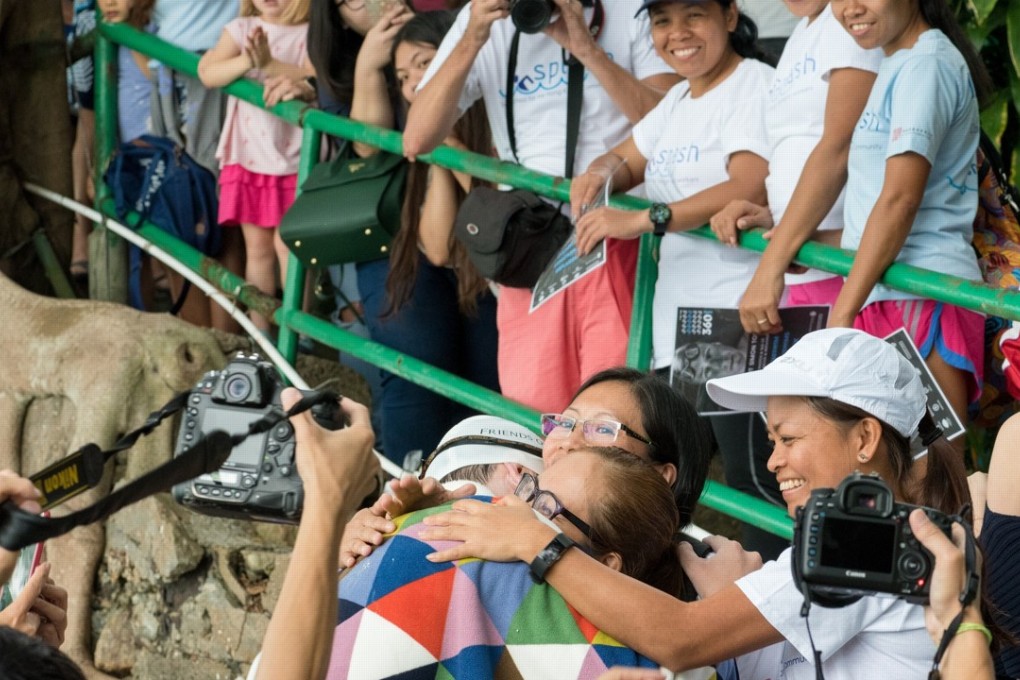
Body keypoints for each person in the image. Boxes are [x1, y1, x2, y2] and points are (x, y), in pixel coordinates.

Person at [415, 328, 974, 677]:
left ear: (865, 440)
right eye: (771, 442)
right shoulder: (896, 535)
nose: (773, 461)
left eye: (789, 438)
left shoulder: (879, 537)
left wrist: (538, 542)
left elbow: (682, 640)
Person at [402, 0, 679, 414]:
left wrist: (587, 50)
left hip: (616, 236)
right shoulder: (485, 18)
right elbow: (417, 139)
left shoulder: (631, 8)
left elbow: (675, 124)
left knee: (613, 415)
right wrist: (474, 35)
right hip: (527, 246)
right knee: (534, 418)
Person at [569, 0, 774, 556]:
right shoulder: (680, 98)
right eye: (662, 22)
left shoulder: (753, 82)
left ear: (730, 17)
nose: (677, 34)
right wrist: (598, 173)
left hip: (735, 314)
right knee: (670, 480)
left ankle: (777, 630)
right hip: (677, 321)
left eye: (694, 16)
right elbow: (626, 156)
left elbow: (749, 182)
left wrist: (643, 218)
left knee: (754, 482)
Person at [707, 0, 883, 558]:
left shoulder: (848, 20)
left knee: (870, 475)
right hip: (813, 268)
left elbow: (840, 150)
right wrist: (779, 227)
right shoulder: (808, 32)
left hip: (854, 281)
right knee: (799, 471)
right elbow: (810, 152)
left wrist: (770, 263)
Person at [328, 447, 686, 679]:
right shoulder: (450, 523)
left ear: (608, 563)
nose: (516, 507)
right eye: (528, 487)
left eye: (546, 507)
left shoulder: (616, 659)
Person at [340, 366, 712, 574]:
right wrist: (383, 532)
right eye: (564, 423)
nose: (568, 441)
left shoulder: (700, 577)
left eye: (602, 428)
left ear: (662, 476)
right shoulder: (500, 510)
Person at [347, 7, 502, 464]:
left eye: (423, 64)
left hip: (509, 287)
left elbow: (501, 218)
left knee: (487, 400)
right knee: (423, 380)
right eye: (402, 75)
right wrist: (438, 150)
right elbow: (436, 247)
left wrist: (452, 150)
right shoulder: (422, 140)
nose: (413, 83)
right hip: (467, 281)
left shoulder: (501, 119)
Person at [825, 0, 992, 422]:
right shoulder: (901, 62)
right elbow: (880, 208)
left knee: (930, 472)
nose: (850, 8)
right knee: (896, 471)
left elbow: (901, 200)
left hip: (922, 294)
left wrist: (843, 311)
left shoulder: (927, 65)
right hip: (889, 291)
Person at [198, 0, 314, 331]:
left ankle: (299, 334)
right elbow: (208, 72)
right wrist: (248, 60)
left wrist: (270, 63)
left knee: (290, 246)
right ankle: (259, 334)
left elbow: (313, 76)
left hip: (295, 158)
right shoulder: (242, 30)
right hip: (250, 157)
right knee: (259, 249)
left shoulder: (310, 33)